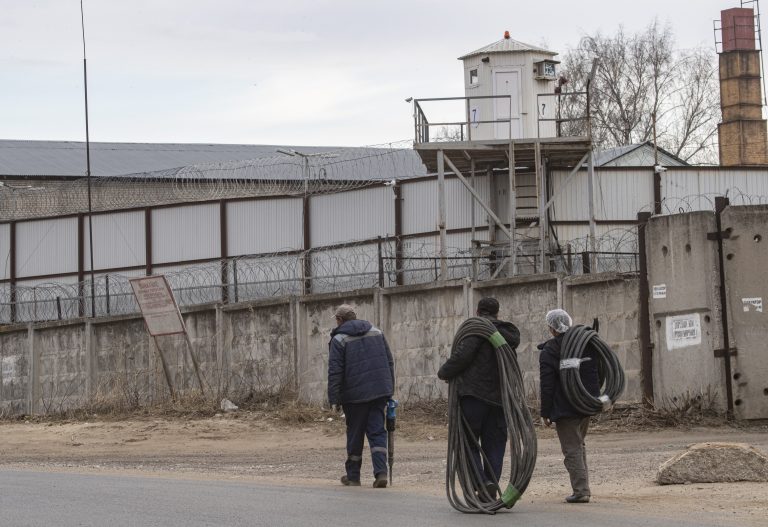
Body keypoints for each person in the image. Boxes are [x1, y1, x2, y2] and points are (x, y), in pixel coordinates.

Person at [437, 297, 521, 496]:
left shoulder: (475, 330)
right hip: (501, 400)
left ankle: (482, 483)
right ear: (497, 313)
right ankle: (490, 484)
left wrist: (444, 373)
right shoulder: (509, 335)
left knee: (467, 443)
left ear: (477, 311)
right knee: (495, 445)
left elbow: (462, 357)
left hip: (474, 397)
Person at [327, 304, 395, 489]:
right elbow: (389, 361)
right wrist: (389, 389)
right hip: (379, 391)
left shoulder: (339, 339)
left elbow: (335, 371)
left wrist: (334, 398)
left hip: (355, 396)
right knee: (377, 432)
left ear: (339, 320)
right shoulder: (376, 332)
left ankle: (354, 476)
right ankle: (381, 473)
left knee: (355, 434)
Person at [538, 308, 600, 504]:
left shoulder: (551, 350)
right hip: (585, 403)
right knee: (579, 445)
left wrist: (545, 412)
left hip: (566, 408)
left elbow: (547, 384)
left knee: (572, 448)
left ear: (551, 328)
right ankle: (583, 488)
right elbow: (596, 371)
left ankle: (581, 491)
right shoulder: (586, 344)